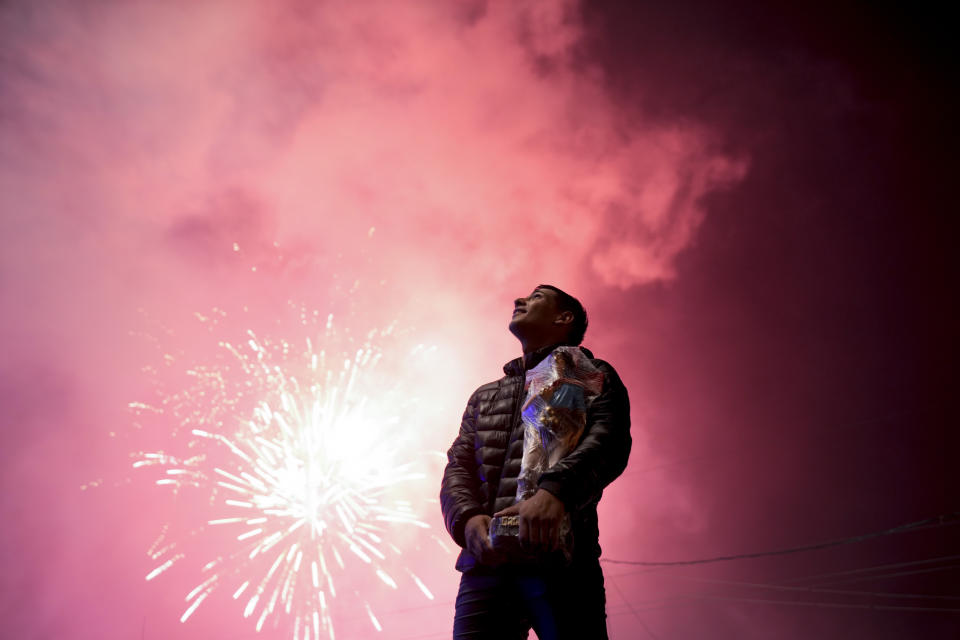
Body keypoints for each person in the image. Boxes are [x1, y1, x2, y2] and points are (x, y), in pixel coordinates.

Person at [440, 284, 632, 639]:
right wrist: (466, 520)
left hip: (563, 562)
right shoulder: (485, 395)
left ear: (564, 318)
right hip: (487, 565)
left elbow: (610, 443)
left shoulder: (594, 373)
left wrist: (555, 493)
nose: (519, 300)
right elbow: (458, 466)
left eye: (537, 297)